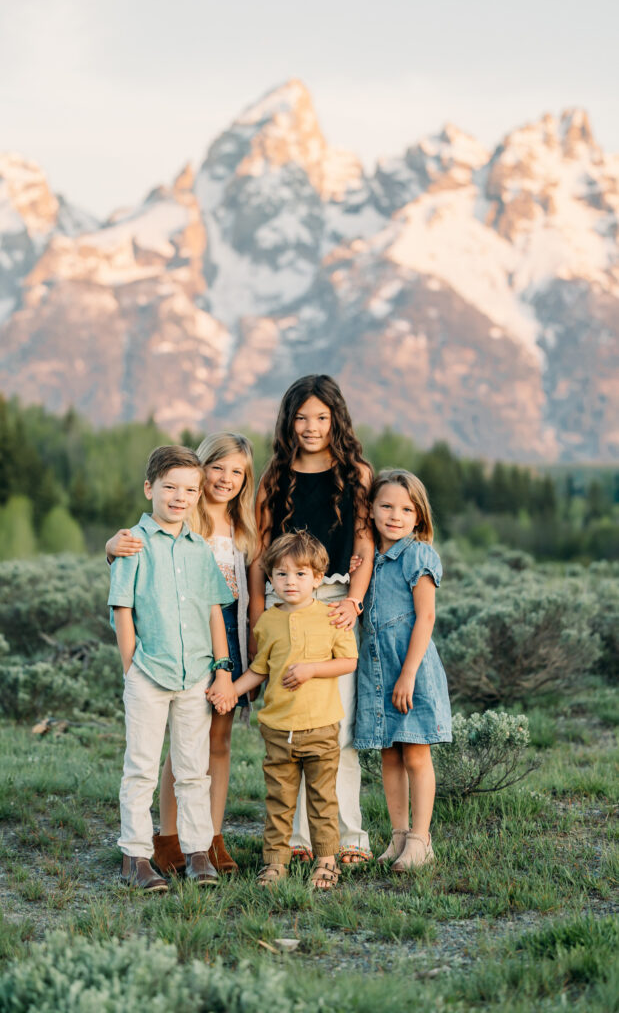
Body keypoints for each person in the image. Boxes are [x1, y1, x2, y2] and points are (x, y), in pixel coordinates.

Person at [106, 433, 257, 876]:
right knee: (156, 759)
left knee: (205, 755)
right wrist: (131, 667)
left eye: (188, 490)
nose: (182, 496)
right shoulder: (155, 531)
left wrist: (228, 662)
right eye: (171, 487)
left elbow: (226, 606)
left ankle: (203, 844)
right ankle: (151, 848)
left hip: (209, 655)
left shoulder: (222, 537)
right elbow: (125, 598)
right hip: (157, 658)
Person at [249, 374, 375, 864]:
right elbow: (260, 551)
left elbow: (364, 542)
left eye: (321, 417)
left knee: (335, 726)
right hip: (283, 608)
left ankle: (348, 837)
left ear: (336, 419)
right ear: (288, 421)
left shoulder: (356, 473)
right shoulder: (275, 477)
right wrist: (261, 618)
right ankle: (299, 841)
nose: (311, 426)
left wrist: (354, 601)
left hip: (335, 603)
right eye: (301, 417)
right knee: (292, 725)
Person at [211, 531, 358, 889]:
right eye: (281, 574)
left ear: (318, 578)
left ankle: (326, 862)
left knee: (323, 800)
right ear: (271, 579)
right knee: (279, 800)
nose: (290, 582)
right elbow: (260, 669)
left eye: (300, 574)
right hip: (278, 730)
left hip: (321, 727)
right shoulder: (268, 622)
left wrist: (311, 669)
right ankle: (276, 863)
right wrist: (231, 689)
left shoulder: (332, 616)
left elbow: (348, 662)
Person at [354, 469, 452, 871]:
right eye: (387, 506)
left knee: (414, 753)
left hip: (409, 667)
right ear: (371, 510)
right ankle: (397, 837)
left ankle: (420, 840)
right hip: (376, 669)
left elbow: (426, 618)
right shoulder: (368, 559)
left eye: (406, 509)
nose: (396, 515)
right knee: (389, 755)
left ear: (419, 516)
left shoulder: (418, 555)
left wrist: (408, 673)